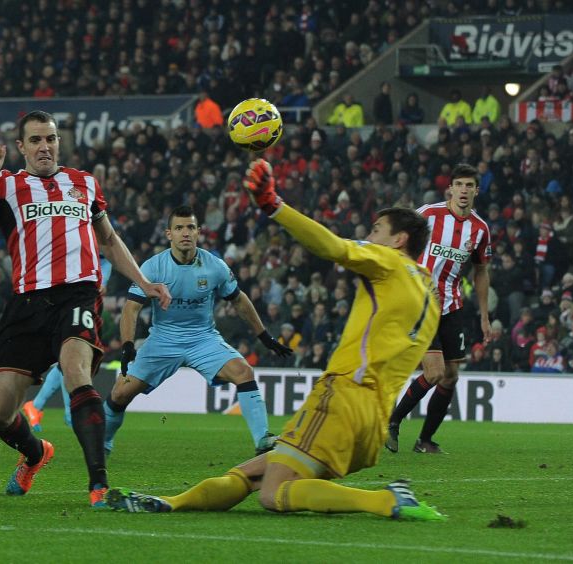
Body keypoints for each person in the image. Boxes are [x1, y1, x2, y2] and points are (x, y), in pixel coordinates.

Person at [107, 159, 444, 522]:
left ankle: (386, 500)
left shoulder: (388, 260)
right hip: (373, 421)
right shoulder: (430, 292)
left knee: (274, 494)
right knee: (251, 474)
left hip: (344, 397)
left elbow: (335, 248)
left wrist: (273, 205)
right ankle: (171, 503)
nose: (370, 235)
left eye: (377, 230)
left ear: (399, 240)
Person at [0, 110, 171, 507]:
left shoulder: (84, 183)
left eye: (50, 138)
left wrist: (143, 283)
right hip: (26, 304)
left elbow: (109, 240)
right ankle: (36, 454)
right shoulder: (6, 185)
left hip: (78, 296)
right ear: (21, 147)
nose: (45, 146)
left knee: (76, 373)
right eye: (35, 140)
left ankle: (98, 486)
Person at [107, 205, 292, 456]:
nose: (185, 233)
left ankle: (262, 440)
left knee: (244, 372)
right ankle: (104, 443)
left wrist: (264, 335)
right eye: (179, 228)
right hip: (163, 339)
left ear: (198, 232)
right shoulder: (152, 268)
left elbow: (239, 300)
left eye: (190, 227)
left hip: (202, 338)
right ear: (168, 234)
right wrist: (128, 345)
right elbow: (131, 309)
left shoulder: (214, 266)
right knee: (119, 394)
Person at [386, 163, 492, 454]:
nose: (464, 190)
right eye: (459, 184)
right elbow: (397, 244)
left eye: (470, 185)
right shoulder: (428, 215)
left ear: (476, 191)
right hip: (419, 304)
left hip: (451, 305)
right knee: (433, 372)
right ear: (450, 189)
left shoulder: (480, 229)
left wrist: (484, 315)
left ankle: (425, 441)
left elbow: (481, 271)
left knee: (451, 375)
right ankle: (392, 421)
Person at [22, 256, 113, 431]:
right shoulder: (79, 248)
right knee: (70, 359)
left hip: (86, 306)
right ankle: (68, 413)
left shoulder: (104, 258)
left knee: (67, 362)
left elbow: (102, 286)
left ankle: (37, 406)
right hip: (68, 305)